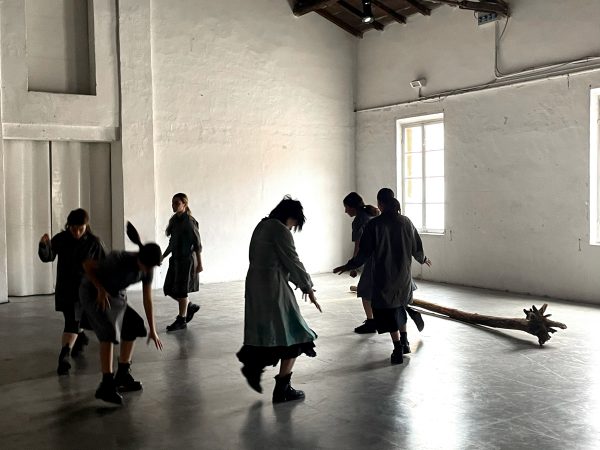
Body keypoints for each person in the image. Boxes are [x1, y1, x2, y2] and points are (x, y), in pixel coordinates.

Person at [237, 197, 321, 403]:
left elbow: (274, 259)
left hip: (255, 284)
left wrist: (302, 284)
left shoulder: (262, 225)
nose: (292, 228)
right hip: (273, 287)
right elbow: (292, 260)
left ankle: (253, 367)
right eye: (294, 224)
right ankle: (282, 388)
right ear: (290, 217)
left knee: (266, 332)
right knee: (295, 333)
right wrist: (307, 286)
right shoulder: (280, 230)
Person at [334, 188, 431, 365]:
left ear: (380, 204)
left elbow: (363, 254)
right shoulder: (406, 222)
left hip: (384, 277)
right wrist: (423, 259)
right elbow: (416, 246)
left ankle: (397, 348)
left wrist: (349, 266)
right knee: (400, 307)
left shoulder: (375, 225)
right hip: (403, 276)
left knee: (389, 313)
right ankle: (405, 341)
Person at [79, 222, 163, 405]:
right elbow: (87, 266)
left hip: (115, 295)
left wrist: (153, 329)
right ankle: (106, 386)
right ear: (139, 258)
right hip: (92, 292)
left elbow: (147, 299)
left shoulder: (147, 269)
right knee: (108, 333)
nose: (148, 270)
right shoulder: (118, 259)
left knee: (134, 325)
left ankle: (123, 375)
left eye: (151, 268)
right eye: (146, 266)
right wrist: (100, 289)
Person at [38, 208, 105, 375]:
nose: (77, 232)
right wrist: (43, 246)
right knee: (72, 320)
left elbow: (104, 266)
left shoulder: (94, 243)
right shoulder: (61, 238)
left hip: (85, 290)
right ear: (68, 226)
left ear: (86, 226)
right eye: (73, 228)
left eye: (80, 229)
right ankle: (72, 346)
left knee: (74, 321)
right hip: (66, 289)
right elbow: (48, 257)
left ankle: (69, 351)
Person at [162, 193, 203, 332]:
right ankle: (189, 306)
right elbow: (172, 243)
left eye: (177, 203)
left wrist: (200, 264)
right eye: (172, 203)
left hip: (187, 260)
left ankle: (181, 319)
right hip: (176, 259)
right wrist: (163, 256)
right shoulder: (174, 221)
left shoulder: (189, 222)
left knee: (181, 290)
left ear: (184, 204)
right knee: (168, 288)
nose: (173, 206)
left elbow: (197, 244)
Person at [342, 192, 380, 334]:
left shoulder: (359, 220)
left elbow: (358, 245)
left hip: (372, 259)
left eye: (346, 207)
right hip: (383, 257)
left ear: (352, 207)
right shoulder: (372, 215)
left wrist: (353, 265)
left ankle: (371, 322)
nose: (345, 211)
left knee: (364, 290)